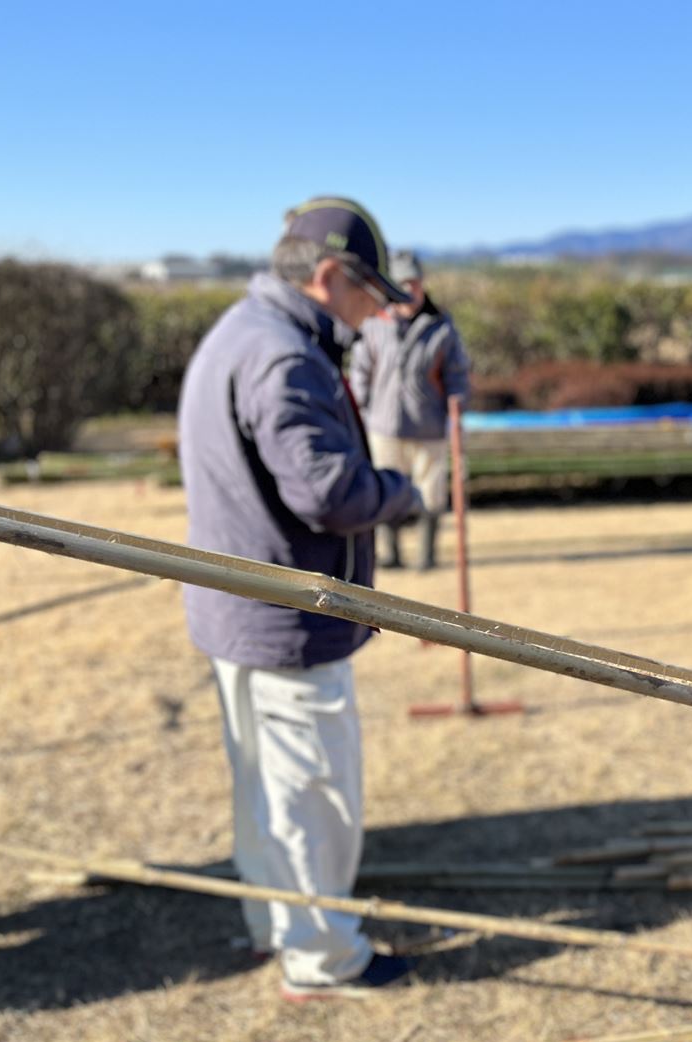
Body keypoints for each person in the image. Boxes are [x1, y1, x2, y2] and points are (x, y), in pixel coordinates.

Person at [178, 196, 424, 1000]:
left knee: (264, 788)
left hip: (240, 610)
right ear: (326, 277)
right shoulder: (284, 356)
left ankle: (272, 926)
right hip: (287, 617)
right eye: (366, 298)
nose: (371, 318)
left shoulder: (242, 330)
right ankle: (324, 956)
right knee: (312, 796)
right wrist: (399, 491)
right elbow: (327, 492)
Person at [349, 251, 473, 571]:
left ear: (422, 285)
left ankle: (427, 554)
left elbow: (456, 373)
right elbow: (361, 368)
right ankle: (390, 553)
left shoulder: (441, 326)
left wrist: (457, 404)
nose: (409, 289)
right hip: (384, 425)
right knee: (385, 491)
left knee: (431, 494)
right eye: (402, 283)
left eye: (414, 283)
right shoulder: (376, 322)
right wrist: (361, 406)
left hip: (428, 425)